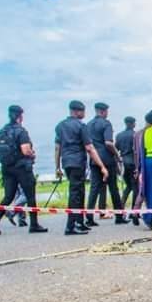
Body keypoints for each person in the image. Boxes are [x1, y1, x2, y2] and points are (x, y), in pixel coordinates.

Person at [0, 105, 47, 235]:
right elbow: (25, 150)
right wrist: (32, 154)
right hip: (21, 168)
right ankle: (34, 224)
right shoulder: (21, 131)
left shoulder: (2, 131)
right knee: (30, 196)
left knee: (8, 196)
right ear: (20, 116)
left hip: (7, 168)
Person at [55, 100, 109, 235]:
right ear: (77, 111)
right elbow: (90, 148)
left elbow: (57, 148)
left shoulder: (60, 126)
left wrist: (57, 167)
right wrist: (102, 166)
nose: (84, 114)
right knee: (76, 194)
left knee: (79, 192)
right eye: (83, 111)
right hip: (78, 162)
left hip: (66, 162)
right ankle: (70, 226)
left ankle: (80, 222)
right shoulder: (80, 126)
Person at [86, 102, 127, 226]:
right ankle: (119, 216)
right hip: (107, 159)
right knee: (113, 188)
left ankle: (89, 217)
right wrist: (117, 155)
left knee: (94, 188)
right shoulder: (106, 123)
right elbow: (108, 143)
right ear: (103, 111)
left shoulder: (88, 125)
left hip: (94, 159)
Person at [116, 116, 139, 225]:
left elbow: (116, 149)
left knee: (128, 186)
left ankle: (121, 207)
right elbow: (138, 151)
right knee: (136, 188)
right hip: (133, 163)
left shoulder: (119, 136)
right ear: (133, 123)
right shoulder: (136, 135)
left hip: (123, 164)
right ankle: (134, 211)